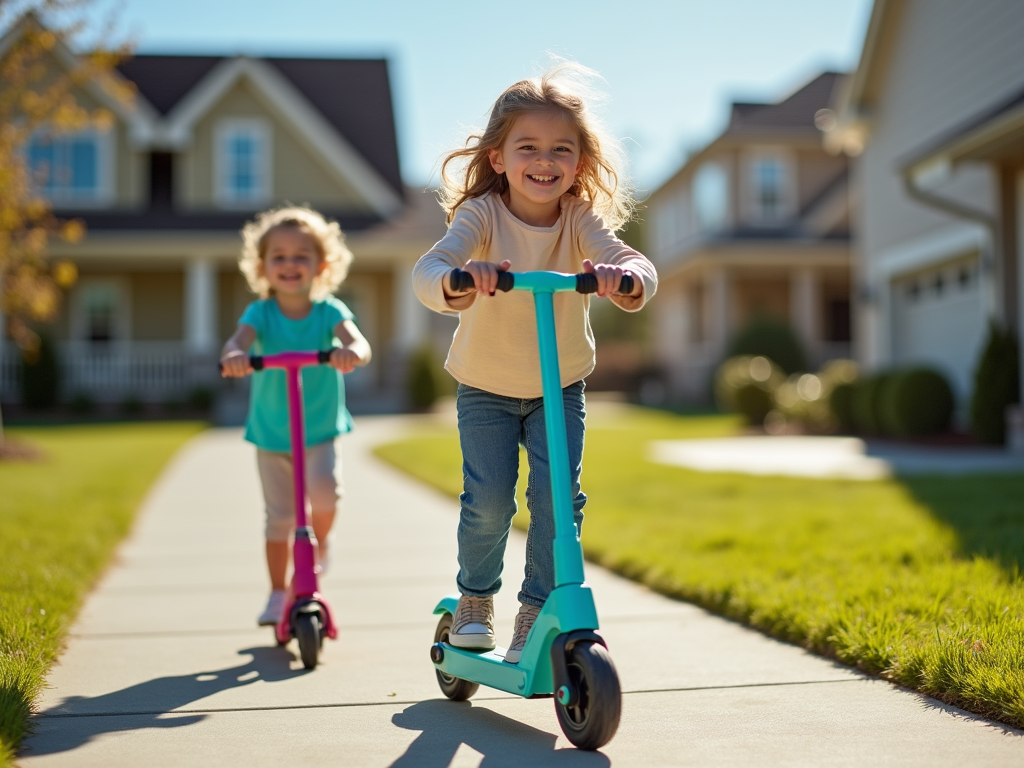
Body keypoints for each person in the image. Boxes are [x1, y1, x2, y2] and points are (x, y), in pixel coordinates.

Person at [412, 63, 657, 663]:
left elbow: (634, 263)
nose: (544, 160)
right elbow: (428, 273)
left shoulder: (578, 219)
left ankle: (535, 610)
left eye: (561, 149)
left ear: (579, 161)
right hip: (486, 386)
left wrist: (621, 279)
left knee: (557, 500)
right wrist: (464, 277)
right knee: (490, 499)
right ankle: (474, 601)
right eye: (528, 147)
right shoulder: (482, 216)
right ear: (498, 157)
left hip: (559, 386)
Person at [221, 206, 371, 626]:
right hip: (272, 434)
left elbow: (359, 343)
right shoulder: (260, 314)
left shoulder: (329, 311)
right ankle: (275, 592)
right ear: (263, 267)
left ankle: (322, 547)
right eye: (279, 256)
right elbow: (236, 342)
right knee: (280, 518)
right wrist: (234, 356)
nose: (290, 264)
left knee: (326, 493)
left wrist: (350, 353)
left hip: (318, 429)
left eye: (301, 256)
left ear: (321, 265)